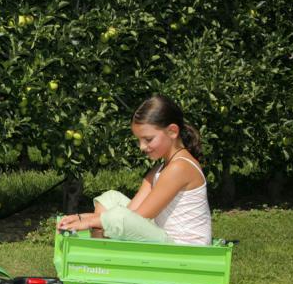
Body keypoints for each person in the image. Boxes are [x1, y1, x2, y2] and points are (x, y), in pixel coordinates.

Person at [57, 94, 211, 245]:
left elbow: (138, 217)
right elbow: (131, 212)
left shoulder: (179, 167)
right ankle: (106, 251)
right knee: (111, 198)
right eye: (139, 140)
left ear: (172, 131)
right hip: (164, 238)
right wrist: (91, 219)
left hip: (181, 247)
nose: (142, 147)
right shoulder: (161, 167)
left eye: (148, 139)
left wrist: (89, 220)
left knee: (120, 218)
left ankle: (105, 253)